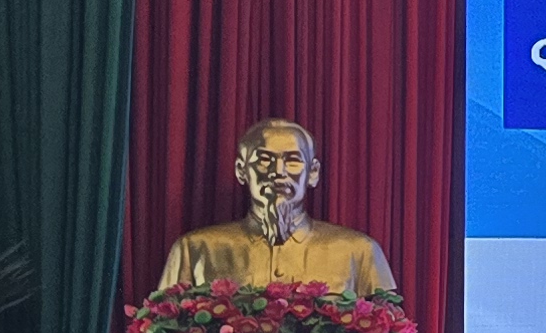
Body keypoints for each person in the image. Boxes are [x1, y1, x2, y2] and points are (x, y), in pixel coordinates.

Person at [152, 116, 398, 294]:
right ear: (241, 170)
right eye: (264, 160)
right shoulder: (194, 250)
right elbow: (165, 331)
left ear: (312, 173)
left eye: (292, 160)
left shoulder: (359, 252)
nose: (278, 172)